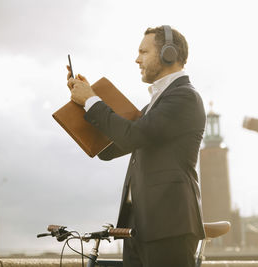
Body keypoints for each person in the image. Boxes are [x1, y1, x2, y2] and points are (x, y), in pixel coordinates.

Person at [67, 25, 206, 267]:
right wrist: (83, 102)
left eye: (143, 52)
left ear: (168, 54)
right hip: (138, 227)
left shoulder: (184, 97)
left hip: (168, 226)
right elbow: (108, 150)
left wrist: (91, 100)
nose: (136, 59)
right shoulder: (157, 103)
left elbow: (133, 135)